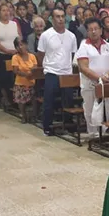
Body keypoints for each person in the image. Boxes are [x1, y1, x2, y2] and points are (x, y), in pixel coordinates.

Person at [76, 17, 109, 137]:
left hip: (106, 84)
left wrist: (106, 76)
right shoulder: (84, 46)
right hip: (90, 85)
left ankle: (103, 133)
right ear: (87, 32)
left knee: (106, 109)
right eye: (90, 29)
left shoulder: (108, 45)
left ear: (101, 30)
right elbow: (83, 67)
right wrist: (99, 78)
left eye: (96, 29)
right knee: (90, 110)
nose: (93, 31)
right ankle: (93, 134)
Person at [37, 8, 77, 136]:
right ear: (52, 19)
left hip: (67, 72)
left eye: (62, 16)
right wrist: (47, 66)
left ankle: (69, 124)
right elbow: (41, 55)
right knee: (49, 100)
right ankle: (47, 126)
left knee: (68, 100)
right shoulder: (46, 35)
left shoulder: (71, 36)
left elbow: (72, 54)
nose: (60, 19)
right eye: (57, 16)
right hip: (51, 71)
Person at [0, 3, 22, 107]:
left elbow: (20, 37)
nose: (6, 12)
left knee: (16, 77)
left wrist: (18, 49)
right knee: (5, 78)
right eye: (3, 10)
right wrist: (7, 50)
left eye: (8, 10)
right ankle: (7, 99)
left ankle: (18, 99)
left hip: (15, 55)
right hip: (2, 55)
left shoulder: (14, 24)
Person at [10, 37, 37, 122]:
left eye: (22, 44)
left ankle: (34, 115)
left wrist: (31, 74)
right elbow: (15, 70)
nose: (20, 47)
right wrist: (26, 74)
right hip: (21, 82)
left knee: (34, 98)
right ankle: (23, 115)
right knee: (21, 100)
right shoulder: (15, 57)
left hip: (31, 82)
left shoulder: (32, 56)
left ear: (26, 45)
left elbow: (35, 68)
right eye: (18, 46)